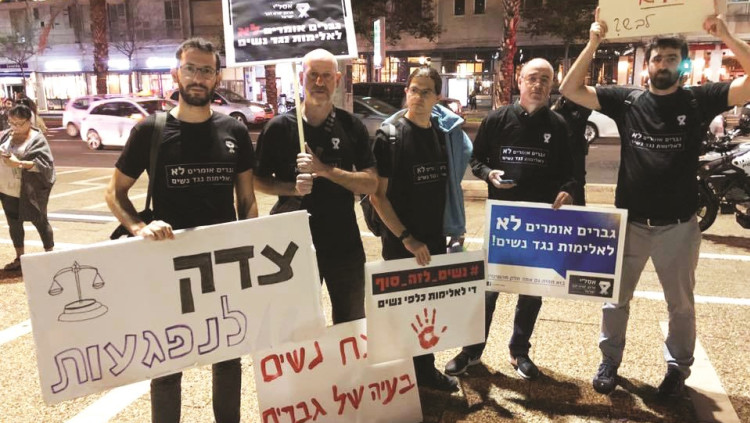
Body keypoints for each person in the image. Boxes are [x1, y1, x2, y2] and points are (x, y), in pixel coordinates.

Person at [560, 10, 750, 397]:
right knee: (615, 300)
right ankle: (609, 361)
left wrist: (727, 35)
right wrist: (594, 42)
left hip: (678, 226)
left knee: (680, 305)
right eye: (657, 59)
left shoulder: (698, 99)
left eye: (671, 59)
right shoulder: (627, 100)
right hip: (630, 223)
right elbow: (570, 88)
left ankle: (678, 368)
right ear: (647, 66)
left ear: (682, 65)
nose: (663, 65)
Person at [105, 37, 257, 423]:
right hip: (168, 264)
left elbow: (247, 200)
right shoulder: (151, 130)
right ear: (176, 73)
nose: (198, 77)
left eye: (206, 70)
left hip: (222, 265)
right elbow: (114, 192)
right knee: (167, 367)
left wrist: (251, 244)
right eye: (190, 68)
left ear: (217, 77)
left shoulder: (234, 131)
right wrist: (139, 227)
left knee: (227, 360)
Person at [444, 59, 576, 381]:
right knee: (487, 290)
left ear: (552, 84)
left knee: (531, 292)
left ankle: (519, 351)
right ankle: (471, 350)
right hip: (503, 224)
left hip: (540, 223)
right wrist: (489, 174)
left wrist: (569, 190)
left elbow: (571, 172)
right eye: (532, 78)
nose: (538, 84)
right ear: (520, 80)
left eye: (545, 79)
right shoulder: (497, 119)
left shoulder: (559, 126)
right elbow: (476, 160)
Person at [254, 49, 377, 325]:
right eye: (313, 75)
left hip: (343, 239)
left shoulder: (351, 126)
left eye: (326, 76)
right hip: (292, 242)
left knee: (351, 319)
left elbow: (371, 182)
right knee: (296, 322)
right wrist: (291, 188)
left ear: (337, 79)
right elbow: (257, 180)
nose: (320, 83)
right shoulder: (278, 127)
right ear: (301, 77)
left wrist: (325, 170)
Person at [370, 67, 473, 392]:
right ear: (407, 92)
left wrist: (450, 230)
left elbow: (448, 188)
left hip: (434, 239)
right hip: (401, 242)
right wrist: (407, 239)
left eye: (426, 91)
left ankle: (425, 372)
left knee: (426, 311)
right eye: (413, 89)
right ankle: (401, 381)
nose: (418, 97)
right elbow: (377, 196)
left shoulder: (442, 136)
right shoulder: (390, 136)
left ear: (438, 97)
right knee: (401, 313)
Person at [0, 104, 55, 272]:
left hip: (30, 190)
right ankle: (19, 258)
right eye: (11, 122)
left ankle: (51, 256)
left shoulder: (36, 139)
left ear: (29, 121)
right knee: (14, 224)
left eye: (19, 123)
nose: (14, 127)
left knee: (40, 221)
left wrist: (19, 163)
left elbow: (45, 166)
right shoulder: (6, 136)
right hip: (7, 189)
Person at [552, 96, 592, 205]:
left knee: (578, 184)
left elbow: (587, 109)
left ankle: (579, 209)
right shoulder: (559, 108)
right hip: (562, 149)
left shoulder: (581, 110)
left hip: (576, 151)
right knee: (561, 182)